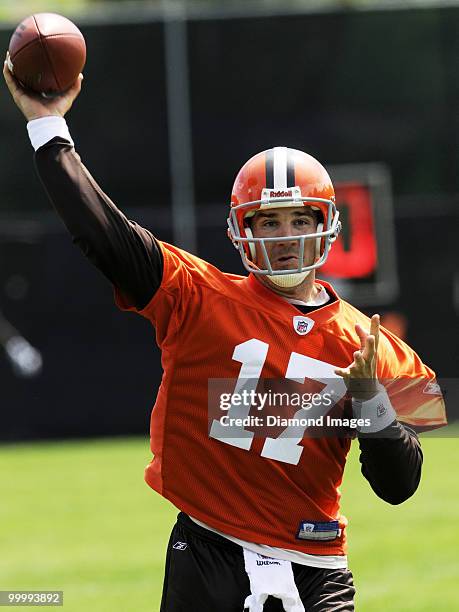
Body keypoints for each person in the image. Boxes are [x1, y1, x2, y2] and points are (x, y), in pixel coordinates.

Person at [3, 58, 446, 612]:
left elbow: (399, 486)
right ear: (243, 229)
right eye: (268, 221)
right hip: (207, 553)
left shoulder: (370, 344)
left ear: (325, 225)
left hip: (316, 569)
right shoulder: (198, 297)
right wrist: (47, 126)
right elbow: (104, 234)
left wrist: (370, 404)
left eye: (298, 219)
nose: (285, 236)